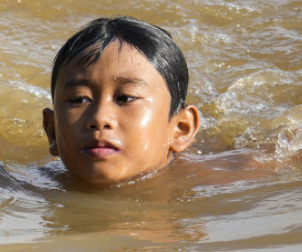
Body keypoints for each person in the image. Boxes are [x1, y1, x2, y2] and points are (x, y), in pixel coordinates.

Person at [42, 16, 201, 187]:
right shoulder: (26, 188)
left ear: (181, 128)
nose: (99, 119)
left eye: (125, 98)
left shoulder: (218, 184)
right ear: (52, 131)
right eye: (79, 99)